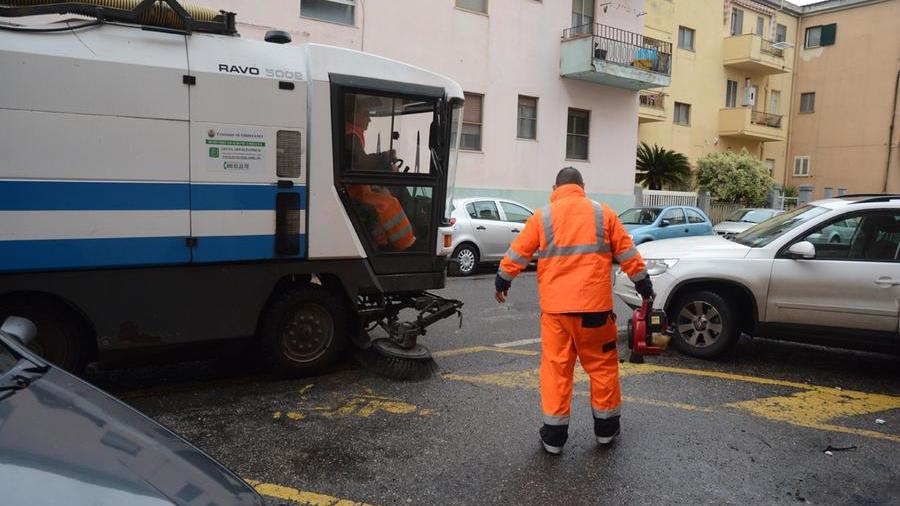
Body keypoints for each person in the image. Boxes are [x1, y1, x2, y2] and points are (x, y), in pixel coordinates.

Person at [494, 167, 654, 454]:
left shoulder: (543, 216)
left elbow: (519, 252)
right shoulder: (603, 213)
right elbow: (628, 253)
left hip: (557, 314)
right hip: (595, 311)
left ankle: (553, 438)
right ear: (582, 186)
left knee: (556, 370)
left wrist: (503, 280)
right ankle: (606, 431)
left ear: (555, 188)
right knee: (603, 368)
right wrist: (644, 285)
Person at [343, 95, 416, 251]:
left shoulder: (352, 134)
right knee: (391, 202)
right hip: (357, 192)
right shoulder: (350, 136)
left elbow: (360, 161)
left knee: (386, 193)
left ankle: (384, 241)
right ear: (354, 114)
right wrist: (385, 157)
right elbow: (359, 164)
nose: (369, 119)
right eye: (366, 114)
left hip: (358, 189)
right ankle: (405, 243)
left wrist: (384, 160)